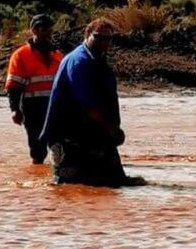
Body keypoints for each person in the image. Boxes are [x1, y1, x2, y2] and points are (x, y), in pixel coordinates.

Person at [39, 18, 144, 187]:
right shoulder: (80, 62)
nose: (104, 42)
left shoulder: (97, 60)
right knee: (68, 187)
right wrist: (112, 128)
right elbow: (89, 106)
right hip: (68, 135)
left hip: (93, 132)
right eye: (99, 37)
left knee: (113, 184)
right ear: (87, 35)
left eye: (108, 38)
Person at [5, 14, 63, 164]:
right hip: (33, 107)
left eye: (50, 29)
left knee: (58, 145)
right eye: (44, 29)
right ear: (34, 30)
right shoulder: (20, 55)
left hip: (55, 106)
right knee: (37, 150)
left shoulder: (57, 55)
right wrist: (15, 110)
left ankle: (58, 177)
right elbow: (14, 86)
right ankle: (38, 175)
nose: (48, 33)